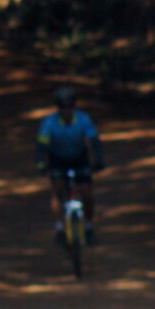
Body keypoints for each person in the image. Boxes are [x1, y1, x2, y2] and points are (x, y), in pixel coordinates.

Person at [36, 85, 105, 245]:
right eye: (62, 106)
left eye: (70, 106)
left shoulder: (83, 119)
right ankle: (60, 227)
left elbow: (95, 141)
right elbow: (41, 145)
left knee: (87, 193)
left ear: (74, 106)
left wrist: (99, 160)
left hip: (79, 158)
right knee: (58, 190)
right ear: (58, 107)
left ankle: (88, 226)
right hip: (57, 159)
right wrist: (41, 163)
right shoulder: (49, 122)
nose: (66, 110)